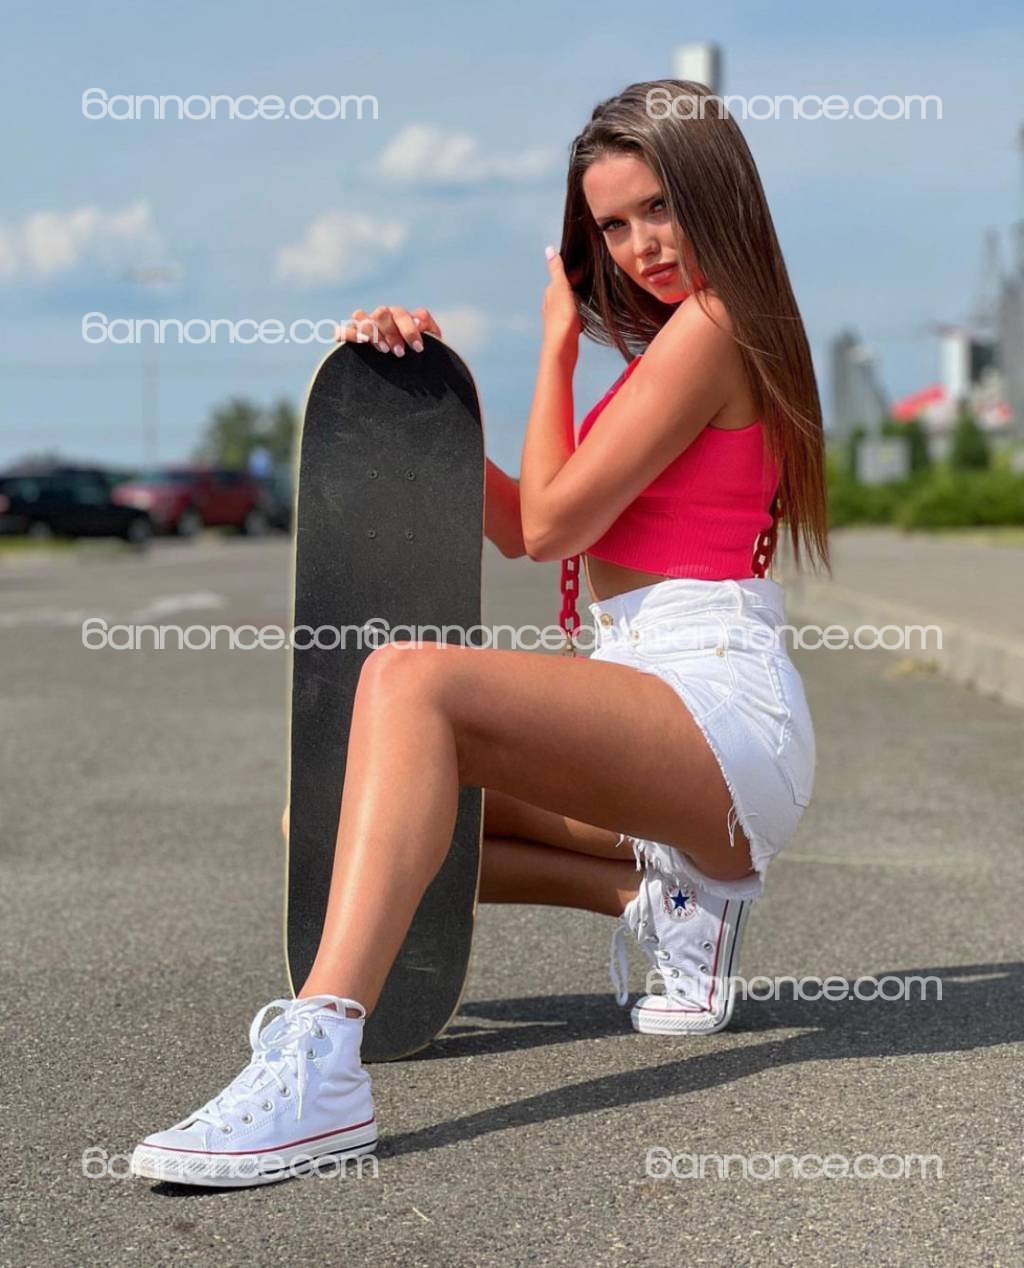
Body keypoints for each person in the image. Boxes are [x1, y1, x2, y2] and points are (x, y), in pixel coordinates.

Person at [130, 77, 828, 1188]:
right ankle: (661, 900)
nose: (640, 245)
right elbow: (517, 525)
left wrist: (552, 349)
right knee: (327, 817)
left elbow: (550, 523)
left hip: (716, 705)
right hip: (651, 709)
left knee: (414, 681)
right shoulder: (666, 355)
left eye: (659, 207)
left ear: (718, 193)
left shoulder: (716, 327)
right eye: (613, 225)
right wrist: (415, 397)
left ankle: (321, 1062)